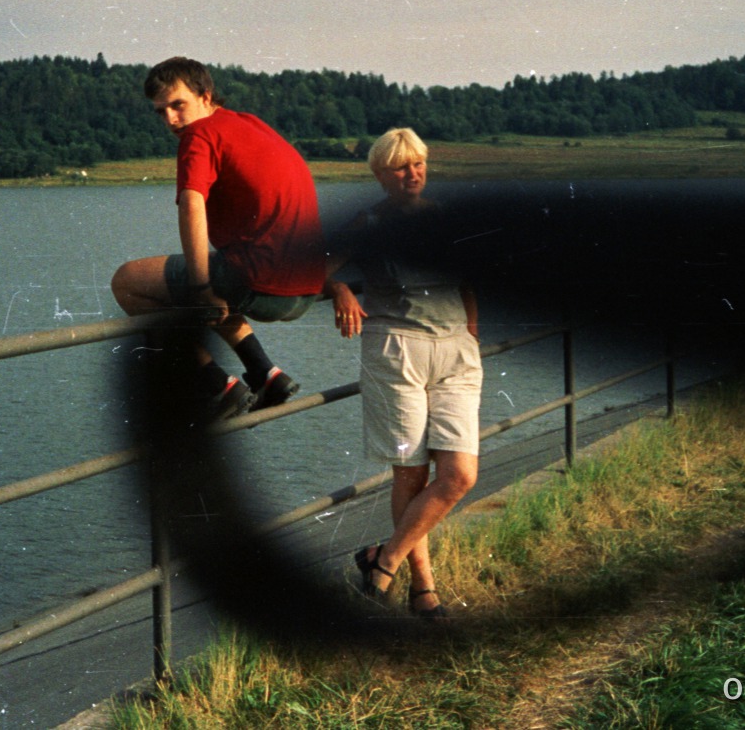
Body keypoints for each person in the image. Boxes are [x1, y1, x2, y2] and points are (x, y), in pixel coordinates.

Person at [111, 57, 325, 417]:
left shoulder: (199, 134)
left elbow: (191, 204)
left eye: (178, 105)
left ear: (205, 95)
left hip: (264, 286)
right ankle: (265, 373)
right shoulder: (249, 123)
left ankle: (216, 384)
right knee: (218, 280)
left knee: (128, 282)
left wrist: (199, 288)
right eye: (161, 112)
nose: (171, 120)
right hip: (307, 287)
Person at [325, 127, 481, 620]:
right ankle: (424, 588)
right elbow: (318, 265)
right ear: (379, 174)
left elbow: (471, 276)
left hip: (454, 350)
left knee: (459, 475)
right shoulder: (366, 222)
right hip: (397, 349)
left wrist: (471, 330)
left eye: (418, 164)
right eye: (399, 167)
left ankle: (383, 559)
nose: (411, 174)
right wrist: (341, 291)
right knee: (411, 472)